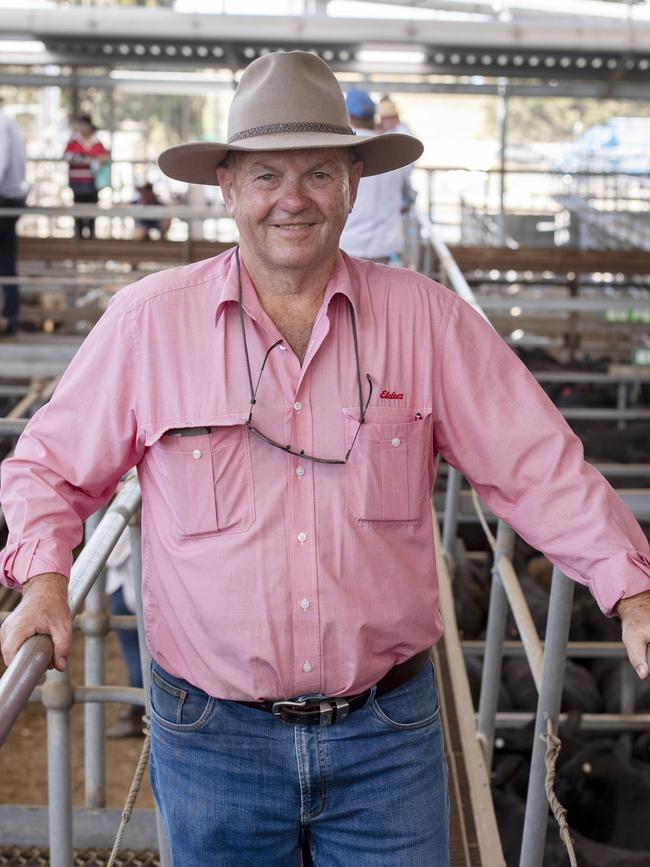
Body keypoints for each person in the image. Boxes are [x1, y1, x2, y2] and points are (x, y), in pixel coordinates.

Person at [1, 51, 650, 867]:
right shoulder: (146, 326)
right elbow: (48, 469)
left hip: (386, 732)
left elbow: (537, 464)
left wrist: (631, 589)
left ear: (352, 183)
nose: (292, 199)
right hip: (213, 737)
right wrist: (45, 583)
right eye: (267, 174)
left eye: (317, 172)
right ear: (229, 187)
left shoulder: (427, 323)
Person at [339, 88, 416, 264]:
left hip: (346, 246)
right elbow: (408, 197)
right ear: (375, 116)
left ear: (347, 116)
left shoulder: (338, 153)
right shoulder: (392, 151)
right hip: (386, 248)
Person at [105, 528, 145, 738]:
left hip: (128, 589)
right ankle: (139, 711)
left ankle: (139, 715)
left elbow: (111, 554)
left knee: (135, 656)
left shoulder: (132, 506)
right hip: (135, 587)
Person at [0, 96, 27, 336]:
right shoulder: (8, 123)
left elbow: (1, 163)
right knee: (7, 263)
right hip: (11, 197)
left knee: (7, 263)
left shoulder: (1, 124)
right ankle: (11, 316)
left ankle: (10, 316)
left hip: (3, 198)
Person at [63, 114, 110, 240]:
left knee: (92, 211)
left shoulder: (96, 141)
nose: (82, 128)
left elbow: (103, 156)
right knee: (78, 210)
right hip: (76, 182)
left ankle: (91, 237)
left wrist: (87, 158)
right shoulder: (73, 140)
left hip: (92, 183)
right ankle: (79, 237)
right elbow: (67, 156)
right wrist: (86, 158)